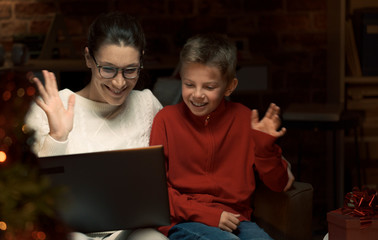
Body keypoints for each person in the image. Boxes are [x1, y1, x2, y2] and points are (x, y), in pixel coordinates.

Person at [24, 12, 167, 240]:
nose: (119, 82)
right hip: (73, 233)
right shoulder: (52, 107)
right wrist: (57, 136)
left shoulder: (146, 105)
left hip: (132, 231)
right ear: (89, 59)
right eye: (108, 69)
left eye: (130, 70)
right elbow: (28, 190)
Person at [149, 33, 294, 240]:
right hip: (184, 221)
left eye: (209, 87)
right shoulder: (166, 120)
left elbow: (278, 184)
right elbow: (158, 192)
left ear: (230, 86)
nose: (197, 94)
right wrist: (211, 215)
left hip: (237, 220)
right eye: (189, 84)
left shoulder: (245, 119)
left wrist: (265, 148)